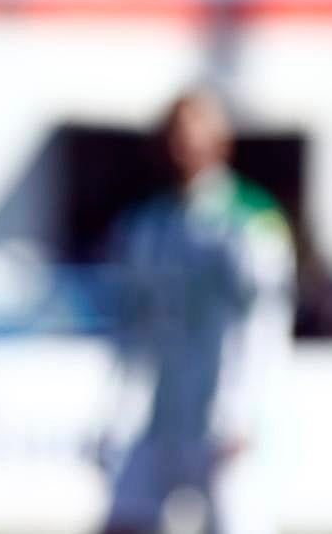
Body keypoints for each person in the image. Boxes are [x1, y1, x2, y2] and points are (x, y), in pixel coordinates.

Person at [98, 89, 296, 534]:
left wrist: (242, 410)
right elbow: (133, 324)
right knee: (125, 517)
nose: (184, 144)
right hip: (163, 410)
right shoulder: (148, 223)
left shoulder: (252, 220)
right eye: (176, 131)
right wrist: (116, 408)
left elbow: (264, 324)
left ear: (221, 138)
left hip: (228, 414)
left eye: (195, 130)